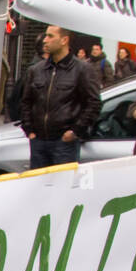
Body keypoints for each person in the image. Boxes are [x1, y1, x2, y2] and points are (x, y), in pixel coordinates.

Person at [19, 24, 100, 169]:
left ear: (64, 40)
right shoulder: (36, 70)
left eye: (50, 36)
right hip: (39, 141)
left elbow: (93, 103)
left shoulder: (82, 69)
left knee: (62, 187)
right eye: (45, 36)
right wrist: (29, 130)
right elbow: (26, 101)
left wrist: (75, 131)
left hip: (64, 142)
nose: (45, 40)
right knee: (38, 186)